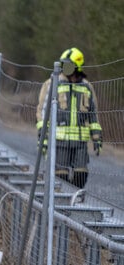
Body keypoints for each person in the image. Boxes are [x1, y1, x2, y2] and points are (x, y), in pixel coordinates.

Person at [36, 47, 102, 189]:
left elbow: (93, 114)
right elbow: (42, 112)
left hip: (80, 144)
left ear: (77, 67)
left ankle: (74, 204)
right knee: (61, 178)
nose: (64, 68)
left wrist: (96, 138)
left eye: (68, 64)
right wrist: (43, 137)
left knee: (81, 176)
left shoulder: (87, 87)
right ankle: (61, 206)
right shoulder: (52, 84)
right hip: (60, 143)